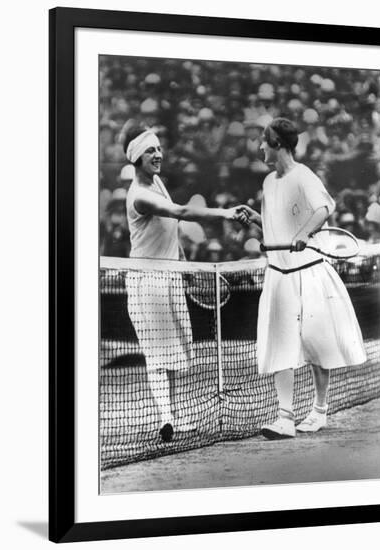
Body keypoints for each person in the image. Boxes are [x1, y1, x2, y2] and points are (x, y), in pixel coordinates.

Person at [122, 124, 248, 442]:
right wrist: (227, 213)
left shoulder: (158, 181)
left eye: (159, 148)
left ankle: (174, 417)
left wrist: (183, 263)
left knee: (176, 353)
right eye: (151, 150)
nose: (159, 154)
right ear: (136, 157)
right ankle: (166, 418)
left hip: (170, 276)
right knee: (157, 354)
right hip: (146, 282)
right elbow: (179, 211)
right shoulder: (139, 195)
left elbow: (170, 226)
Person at [243, 118, 366, 438]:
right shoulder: (269, 182)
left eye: (264, 142)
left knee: (316, 344)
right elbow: (275, 226)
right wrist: (255, 219)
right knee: (280, 345)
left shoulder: (304, 175)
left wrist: (303, 233)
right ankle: (285, 417)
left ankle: (319, 410)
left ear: (279, 146)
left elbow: (325, 207)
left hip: (309, 273)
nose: (260, 148)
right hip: (279, 276)